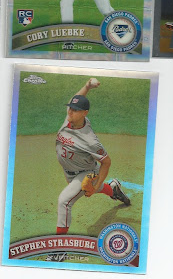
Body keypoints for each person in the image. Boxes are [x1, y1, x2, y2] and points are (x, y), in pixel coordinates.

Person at [54, 77, 130, 252]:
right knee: (92, 189)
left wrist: (95, 185)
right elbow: (76, 98)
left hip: (86, 172)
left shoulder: (90, 140)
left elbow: (106, 161)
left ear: (85, 113)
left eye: (75, 110)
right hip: (70, 172)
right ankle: (113, 189)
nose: (70, 111)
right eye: (70, 108)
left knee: (64, 201)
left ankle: (59, 248)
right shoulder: (69, 119)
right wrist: (87, 86)